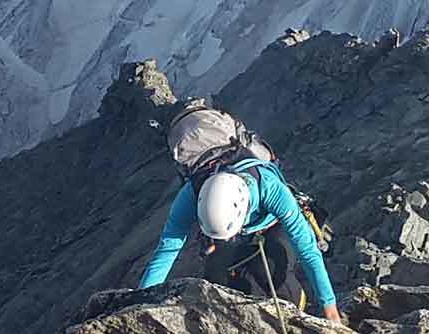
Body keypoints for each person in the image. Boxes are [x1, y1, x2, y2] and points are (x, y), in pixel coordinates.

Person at [139, 108, 340, 321]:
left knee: (267, 272)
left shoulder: (269, 187)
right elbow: (167, 249)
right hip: (232, 229)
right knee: (216, 283)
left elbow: (306, 247)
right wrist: (140, 303)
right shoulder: (191, 194)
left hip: (272, 225)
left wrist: (329, 305)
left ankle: (294, 316)